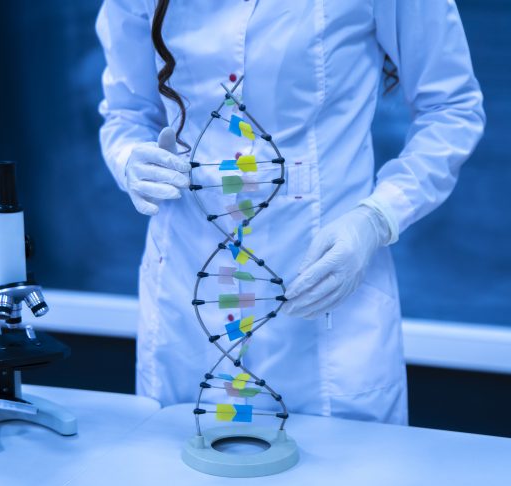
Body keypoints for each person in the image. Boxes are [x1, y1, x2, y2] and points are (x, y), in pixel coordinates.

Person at [96, 0, 485, 424]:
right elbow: (127, 113)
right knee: (180, 460)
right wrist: (129, 157)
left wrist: (377, 217)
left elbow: (451, 109)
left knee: (343, 466)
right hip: (187, 286)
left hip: (326, 299)